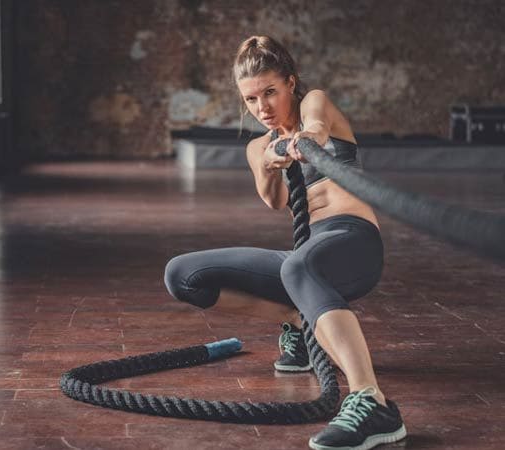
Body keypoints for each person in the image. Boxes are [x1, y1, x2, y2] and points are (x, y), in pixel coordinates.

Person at [163, 35, 407, 450]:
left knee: (298, 266)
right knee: (182, 274)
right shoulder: (257, 146)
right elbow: (274, 199)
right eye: (252, 100)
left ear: (291, 83)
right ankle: (298, 320)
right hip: (307, 261)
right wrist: (270, 162)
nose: (263, 108)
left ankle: (372, 400)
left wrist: (303, 142)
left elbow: (316, 124)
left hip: (353, 241)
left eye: (271, 92)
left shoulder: (315, 100)